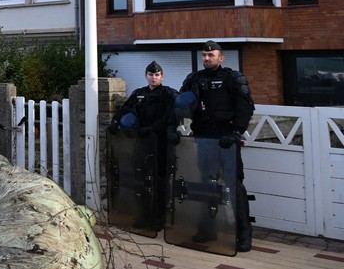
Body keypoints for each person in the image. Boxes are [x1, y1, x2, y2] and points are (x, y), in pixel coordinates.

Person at [178, 40, 255, 252]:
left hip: (226, 139)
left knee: (234, 186)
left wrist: (236, 132)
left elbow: (246, 107)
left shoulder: (233, 77)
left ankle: (243, 234)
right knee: (206, 185)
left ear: (221, 58)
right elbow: (180, 104)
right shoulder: (194, 79)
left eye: (211, 55)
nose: (206, 58)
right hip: (204, 138)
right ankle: (207, 230)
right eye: (204, 55)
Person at [107, 61, 178, 228]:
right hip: (142, 143)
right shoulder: (139, 93)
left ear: (162, 76)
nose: (154, 78)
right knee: (142, 179)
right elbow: (125, 109)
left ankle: (159, 219)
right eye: (151, 75)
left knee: (160, 182)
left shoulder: (168, 93)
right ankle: (144, 215)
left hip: (159, 142)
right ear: (146, 76)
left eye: (157, 75)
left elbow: (172, 115)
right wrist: (115, 122)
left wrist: (153, 128)